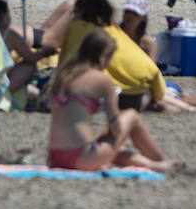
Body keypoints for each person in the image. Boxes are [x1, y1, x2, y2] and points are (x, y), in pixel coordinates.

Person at [55, 0, 196, 112]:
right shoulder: (115, 33)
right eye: (128, 12)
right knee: (165, 94)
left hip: (146, 79)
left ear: (143, 18)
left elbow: (151, 68)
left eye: (135, 14)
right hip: (125, 79)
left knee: (175, 91)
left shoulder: (147, 42)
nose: (130, 16)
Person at [46, 28, 186, 174]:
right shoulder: (102, 80)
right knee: (131, 116)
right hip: (81, 158)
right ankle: (161, 161)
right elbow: (116, 128)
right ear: (102, 56)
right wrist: (114, 101)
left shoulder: (62, 76)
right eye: (110, 57)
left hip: (55, 157)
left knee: (116, 148)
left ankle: (153, 166)